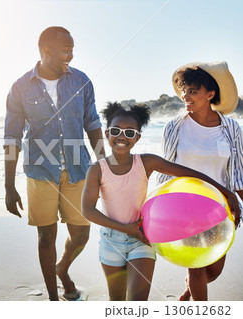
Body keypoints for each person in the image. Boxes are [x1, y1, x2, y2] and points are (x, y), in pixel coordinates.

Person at [81, 102, 240, 301]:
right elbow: (87, 210)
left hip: (142, 240)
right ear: (107, 133)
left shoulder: (146, 162)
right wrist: (125, 228)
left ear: (137, 137)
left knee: (137, 303)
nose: (122, 137)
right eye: (116, 131)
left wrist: (226, 192)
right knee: (117, 302)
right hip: (111, 241)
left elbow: (187, 173)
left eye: (130, 133)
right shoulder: (97, 169)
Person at [3, 26, 104, 301]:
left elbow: (92, 124)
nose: (70, 55)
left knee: (82, 234)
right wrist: (9, 186)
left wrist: (104, 164)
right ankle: (52, 299)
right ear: (46, 50)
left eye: (72, 49)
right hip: (40, 172)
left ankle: (63, 267)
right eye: (65, 49)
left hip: (77, 169)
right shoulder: (20, 87)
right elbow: (11, 137)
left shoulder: (81, 81)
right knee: (46, 238)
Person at [157, 61, 243, 301]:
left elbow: (237, 172)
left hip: (220, 208)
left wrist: (238, 202)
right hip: (184, 206)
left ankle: (187, 293)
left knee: (213, 270)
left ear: (210, 94)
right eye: (184, 90)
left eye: (193, 91)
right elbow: (166, 168)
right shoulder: (174, 127)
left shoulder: (231, 128)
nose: (185, 95)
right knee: (196, 265)